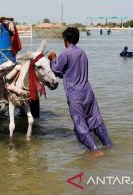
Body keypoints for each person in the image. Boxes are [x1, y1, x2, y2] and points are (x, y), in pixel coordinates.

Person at [48, 27, 112, 155]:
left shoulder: (65, 53)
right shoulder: (82, 52)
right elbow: (67, 72)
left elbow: (56, 70)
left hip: (75, 94)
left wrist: (53, 59)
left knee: (79, 123)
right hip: (88, 91)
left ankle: (94, 150)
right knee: (96, 120)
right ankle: (109, 145)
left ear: (66, 39)